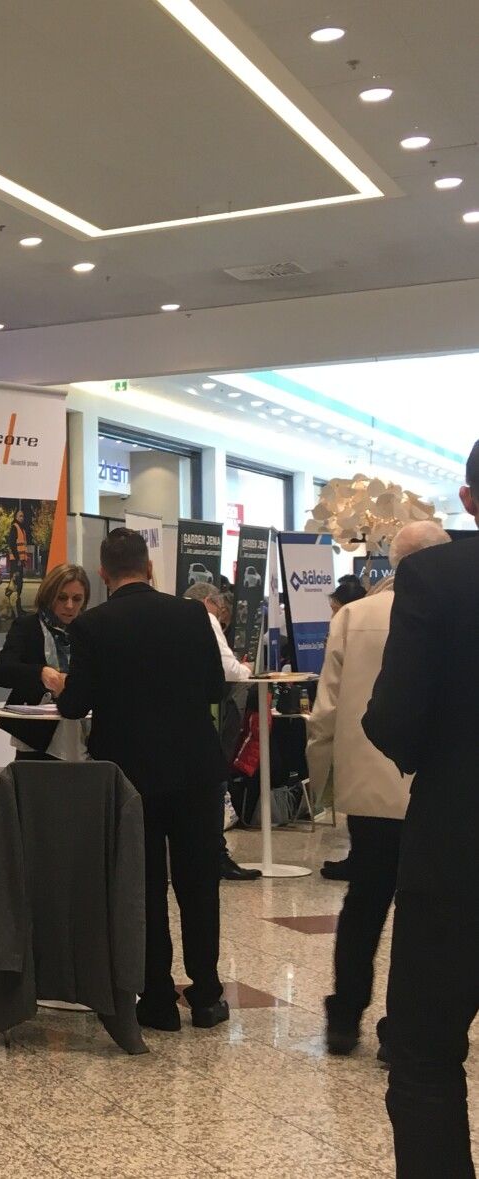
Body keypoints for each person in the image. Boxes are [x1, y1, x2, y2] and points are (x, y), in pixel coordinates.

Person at [58, 528, 228, 1031]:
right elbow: (216, 688)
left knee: (144, 885)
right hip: (196, 769)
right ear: (149, 567)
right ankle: (207, 995)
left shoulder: (91, 626)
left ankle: (156, 998)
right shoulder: (192, 614)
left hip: (130, 775)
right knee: (199, 883)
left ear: (103, 574)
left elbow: (75, 705)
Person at [364, 444, 479, 1178]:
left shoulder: (437, 577)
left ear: (468, 499)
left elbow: (394, 720)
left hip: (458, 845)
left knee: (427, 1052)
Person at [309, 521, 449, 1059]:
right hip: (436, 786)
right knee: (426, 910)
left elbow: (326, 710)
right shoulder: (456, 610)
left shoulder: (354, 616)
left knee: (364, 900)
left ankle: (345, 1015)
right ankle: (405, 1025)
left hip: (368, 786)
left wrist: (322, 781)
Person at [185, 581, 262, 882]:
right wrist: (248, 670)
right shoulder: (203, 618)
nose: (221, 617)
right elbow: (228, 669)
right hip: (195, 719)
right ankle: (216, 856)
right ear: (209, 602)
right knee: (214, 784)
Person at [0, 563, 90, 761]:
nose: (70, 606)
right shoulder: (28, 626)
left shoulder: (88, 631)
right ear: (49, 595)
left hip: (82, 733)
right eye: (62, 598)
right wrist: (40, 673)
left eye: (77, 599)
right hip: (36, 737)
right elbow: (1, 671)